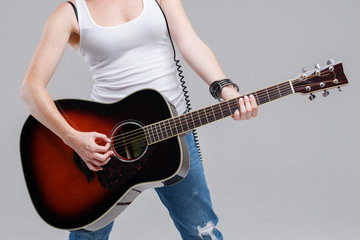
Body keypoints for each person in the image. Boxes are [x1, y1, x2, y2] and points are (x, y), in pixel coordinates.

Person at [20, 0, 258, 239]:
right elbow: (30, 88)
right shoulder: (70, 14)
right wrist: (73, 138)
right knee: (87, 236)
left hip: (173, 132)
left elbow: (191, 43)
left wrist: (226, 89)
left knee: (202, 231)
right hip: (108, 143)